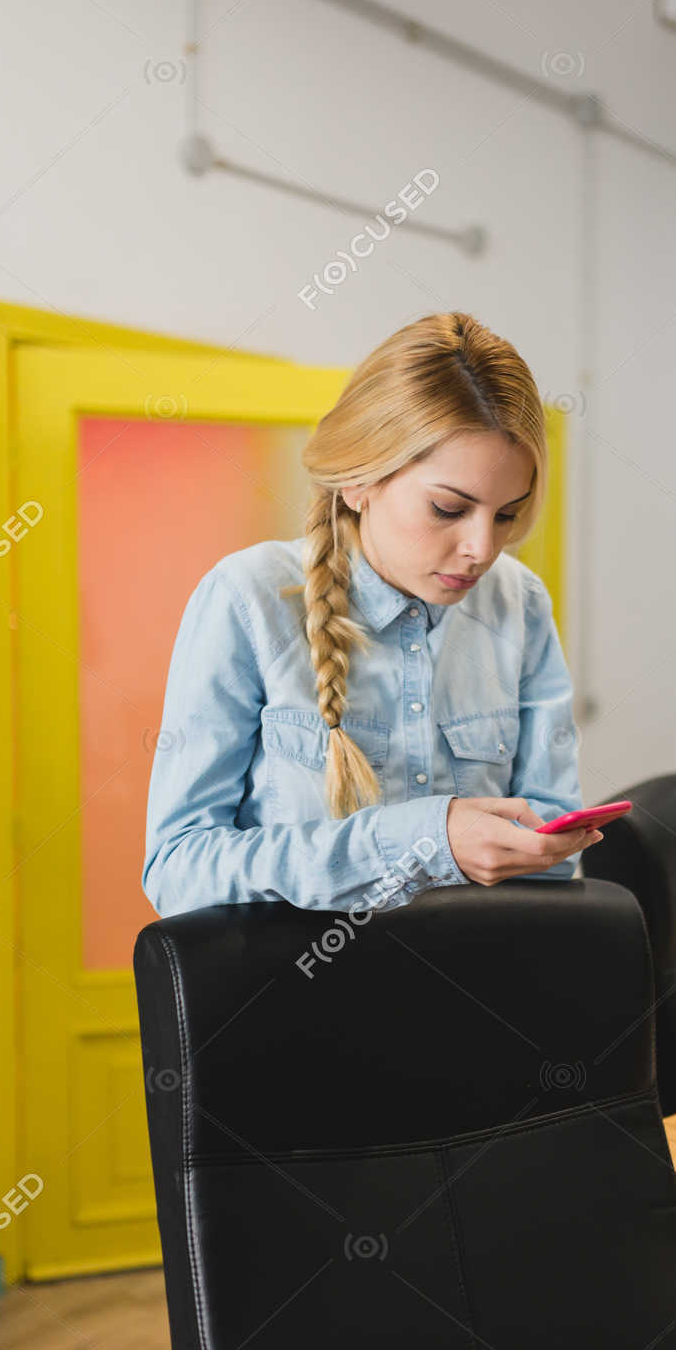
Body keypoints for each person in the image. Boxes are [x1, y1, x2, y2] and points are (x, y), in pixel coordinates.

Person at [142, 311, 604, 917]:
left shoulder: (521, 603)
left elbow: (552, 857)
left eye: (507, 515)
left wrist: (540, 847)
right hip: (301, 1001)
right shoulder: (245, 599)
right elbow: (179, 870)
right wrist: (425, 840)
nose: (482, 550)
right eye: (448, 508)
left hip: (478, 994)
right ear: (359, 482)